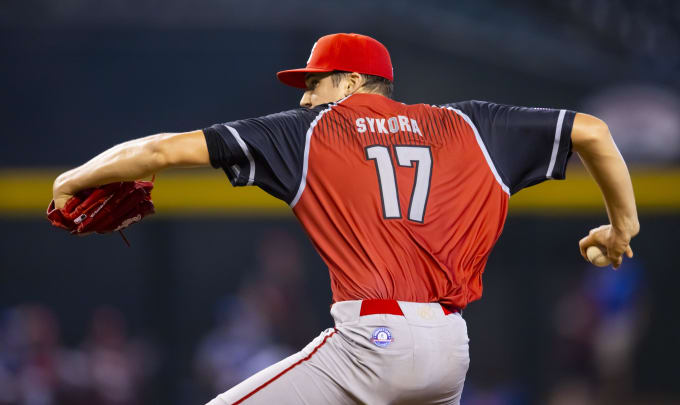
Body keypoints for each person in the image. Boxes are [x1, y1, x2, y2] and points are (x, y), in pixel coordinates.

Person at [52, 33, 639, 404]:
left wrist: (74, 178)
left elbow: (160, 151)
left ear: (352, 82)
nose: (305, 96)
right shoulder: (470, 126)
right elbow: (591, 130)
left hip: (373, 344)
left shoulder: (312, 131)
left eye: (316, 82)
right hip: (449, 349)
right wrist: (622, 227)